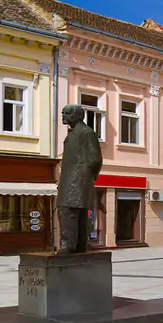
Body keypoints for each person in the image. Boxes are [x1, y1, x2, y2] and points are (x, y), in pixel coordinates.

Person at [57, 104, 103, 253]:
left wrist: (86, 176)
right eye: (63, 113)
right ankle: (78, 247)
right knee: (77, 213)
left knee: (67, 210)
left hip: (76, 179)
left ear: (78, 115)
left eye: (67, 113)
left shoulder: (86, 132)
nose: (63, 115)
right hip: (73, 179)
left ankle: (68, 246)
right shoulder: (73, 133)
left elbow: (96, 159)